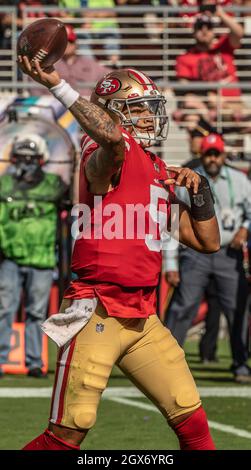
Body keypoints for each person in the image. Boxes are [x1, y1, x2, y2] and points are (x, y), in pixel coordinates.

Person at [18, 52, 220, 450]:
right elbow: (111, 141)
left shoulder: (157, 169)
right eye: (138, 108)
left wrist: (200, 193)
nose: (149, 117)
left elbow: (207, 242)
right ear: (113, 113)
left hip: (143, 317)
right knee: (69, 432)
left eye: (150, 108)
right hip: (99, 308)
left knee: (191, 417)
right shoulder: (101, 152)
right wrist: (57, 83)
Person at [164, 133, 251, 383]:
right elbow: (173, 222)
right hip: (195, 254)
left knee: (236, 310)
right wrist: (170, 263)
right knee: (182, 308)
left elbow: (250, 211)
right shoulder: (188, 179)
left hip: (228, 253)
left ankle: (240, 364)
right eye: (208, 154)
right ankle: (166, 364)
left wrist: (245, 228)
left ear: (224, 155)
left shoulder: (239, 180)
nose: (212, 158)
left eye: (217, 153)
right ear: (201, 154)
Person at [0, 134, 67, 379]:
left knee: (36, 313)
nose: (26, 162)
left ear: (41, 160)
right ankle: (1, 359)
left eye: (31, 158)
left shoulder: (53, 183)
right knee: (5, 309)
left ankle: (35, 361)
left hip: (41, 256)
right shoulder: (4, 184)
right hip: (10, 256)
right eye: (22, 157)